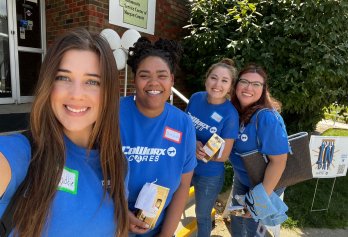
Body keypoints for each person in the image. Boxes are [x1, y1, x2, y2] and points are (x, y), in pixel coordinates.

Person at [0, 28, 128, 237]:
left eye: (92, 81)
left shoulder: (117, 164)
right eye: (63, 78)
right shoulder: (25, 154)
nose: (76, 94)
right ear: (48, 84)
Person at [120, 37, 197, 237]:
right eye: (144, 75)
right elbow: (92, 174)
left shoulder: (183, 124)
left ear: (171, 80)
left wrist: (165, 235)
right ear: (134, 79)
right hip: (112, 223)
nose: (154, 83)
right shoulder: (111, 114)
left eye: (162, 76)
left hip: (158, 228)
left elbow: (182, 186)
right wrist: (119, 213)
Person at [229, 63, 289, 237]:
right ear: (236, 85)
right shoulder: (236, 112)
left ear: (263, 90)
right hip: (242, 178)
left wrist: (258, 201)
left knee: (252, 229)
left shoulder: (266, 118)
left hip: (264, 183)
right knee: (238, 221)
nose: (249, 88)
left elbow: (279, 162)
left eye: (256, 84)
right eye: (244, 82)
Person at [185, 58, 239, 237]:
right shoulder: (195, 98)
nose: (217, 84)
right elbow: (184, 127)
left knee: (202, 215)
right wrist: (192, 144)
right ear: (206, 79)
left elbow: (224, 155)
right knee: (172, 205)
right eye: (214, 78)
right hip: (184, 166)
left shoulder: (230, 114)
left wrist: (204, 153)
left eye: (224, 81)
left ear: (230, 87)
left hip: (208, 175)